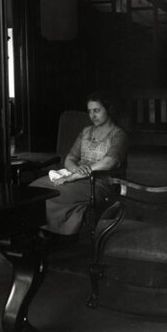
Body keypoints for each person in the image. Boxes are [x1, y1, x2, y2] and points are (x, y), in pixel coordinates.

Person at [30, 93, 128, 237]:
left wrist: (75, 176)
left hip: (99, 183)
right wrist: (76, 170)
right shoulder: (86, 131)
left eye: (97, 110)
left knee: (53, 194)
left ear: (108, 109)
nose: (92, 115)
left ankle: (46, 234)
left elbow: (109, 162)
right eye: (89, 111)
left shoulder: (119, 135)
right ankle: (34, 233)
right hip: (76, 177)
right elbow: (70, 158)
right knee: (34, 189)